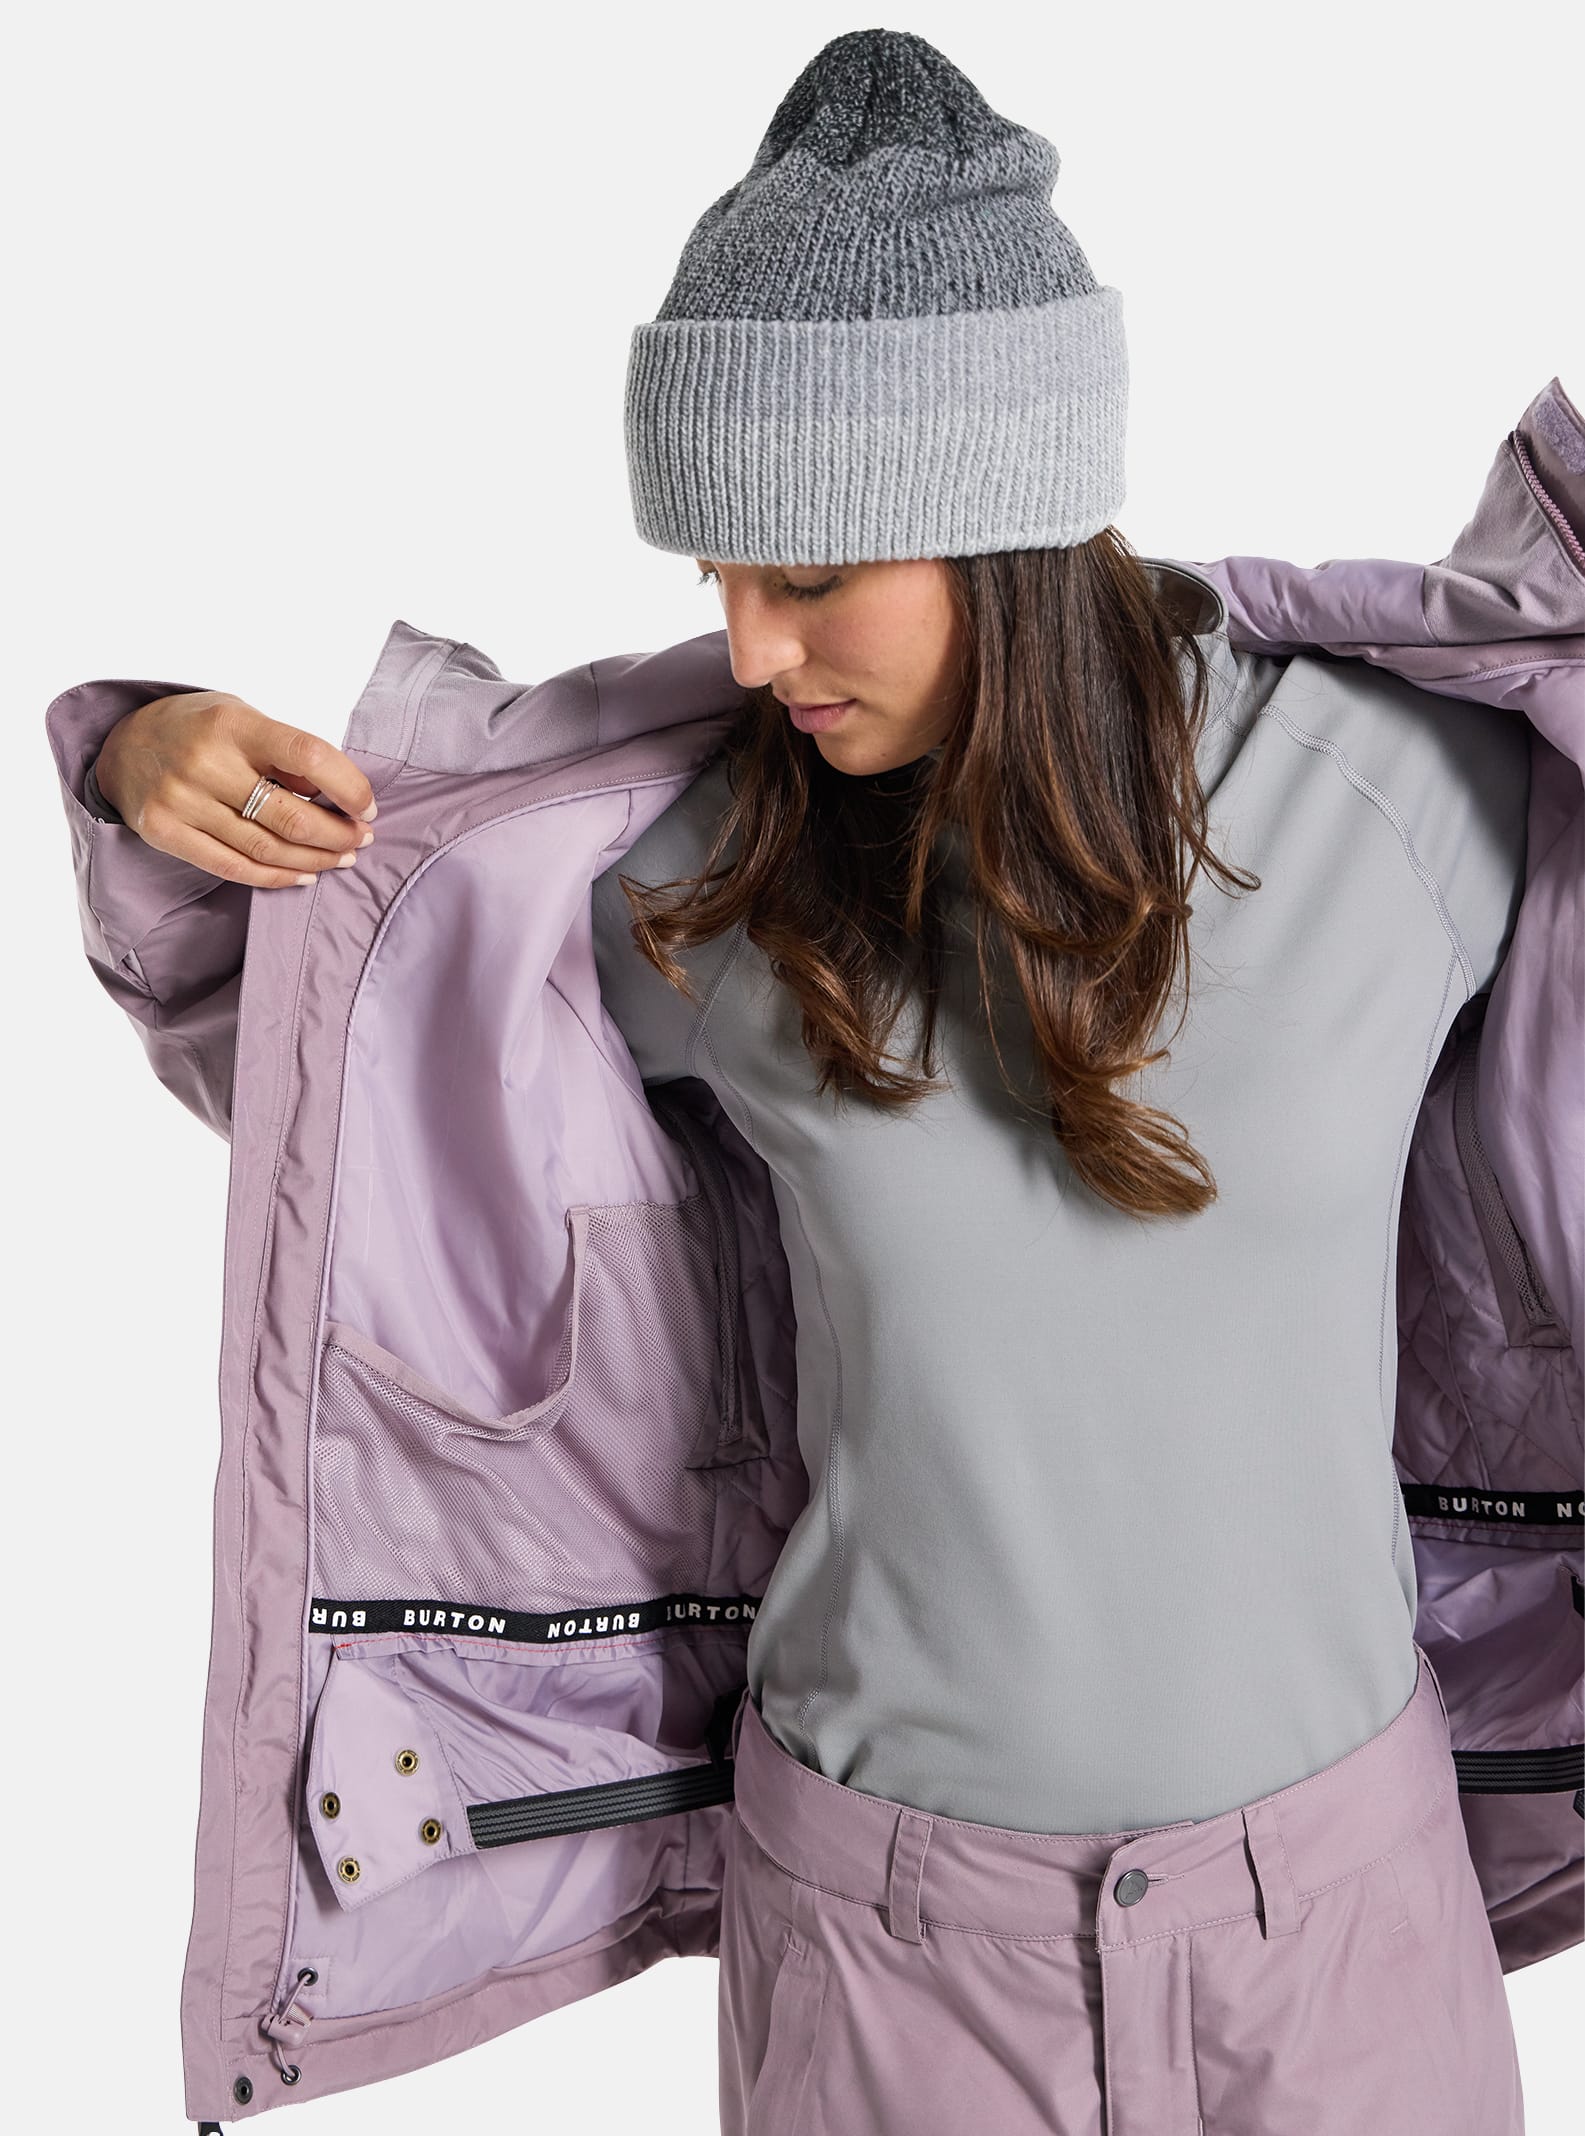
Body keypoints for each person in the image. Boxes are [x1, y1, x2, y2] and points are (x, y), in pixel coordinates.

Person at [79, 27, 1533, 2136]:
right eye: (719, 584)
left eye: (809, 576)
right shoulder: (715, 877)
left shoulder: (1405, 800)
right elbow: (338, 1085)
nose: (752, 651)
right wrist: (146, 763)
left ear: (1003, 517)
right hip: (883, 1953)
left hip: (1343, 1943)